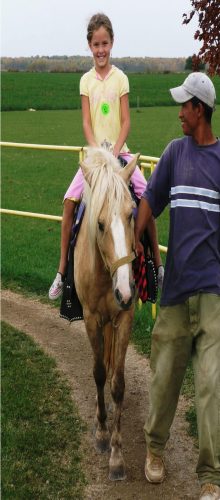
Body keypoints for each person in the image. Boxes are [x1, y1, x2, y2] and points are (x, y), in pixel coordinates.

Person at [135, 72, 220, 500]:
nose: (179, 112)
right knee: (164, 377)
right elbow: (149, 202)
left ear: (199, 110)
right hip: (176, 290)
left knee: (210, 385)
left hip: (213, 294)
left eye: (184, 105)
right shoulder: (173, 154)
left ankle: (210, 477)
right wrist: (137, 242)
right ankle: (154, 450)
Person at [49, 12, 163, 300]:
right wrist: (98, 151)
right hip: (95, 158)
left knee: (146, 198)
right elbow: (86, 123)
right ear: (89, 46)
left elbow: (126, 122)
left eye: (105, 44)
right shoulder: (86, 81)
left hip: (120, 153)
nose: (101, 50)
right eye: (96, 44)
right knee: (68, 204)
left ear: (112, 43)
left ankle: (158, 266)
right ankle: (62, 272)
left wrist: (115, 151)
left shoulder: (121, 78)